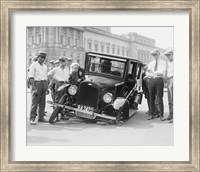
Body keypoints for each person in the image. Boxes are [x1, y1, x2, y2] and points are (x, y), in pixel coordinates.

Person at [146, 49, 166, 121]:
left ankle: (161, 115)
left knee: (159, 98)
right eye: (153, 55)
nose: (154, 56)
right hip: (151, 81)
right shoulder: (151, 63)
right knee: (151, 98)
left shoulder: (163, 63)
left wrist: (153, 72)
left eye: (155, 54)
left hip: (159, 81)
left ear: (159, 54)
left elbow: (162, 73)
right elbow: (147, 73)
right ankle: (151, 114)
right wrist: (154, 73)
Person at [29, 51, 48, 125]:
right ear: (38, 57)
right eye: (41, 57)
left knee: (42, 102)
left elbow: (46, 78)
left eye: (44, 58)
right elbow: (31, 77)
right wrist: (34, 88)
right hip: (37, 83)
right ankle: (32, 118)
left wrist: (46, 87)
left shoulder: (45, 66)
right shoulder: (33, 65)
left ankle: (41, 117)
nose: (42, 59)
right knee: (35, 102)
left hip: (43, 83)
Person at [164, 49, 174, 123]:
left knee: (174, 99)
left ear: (172, 54)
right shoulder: (169, 63)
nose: (168, 57)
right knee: (170, 99)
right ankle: (170, 114)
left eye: (169, 55)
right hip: (168, 80)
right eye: (167, 55)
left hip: (173, 79)